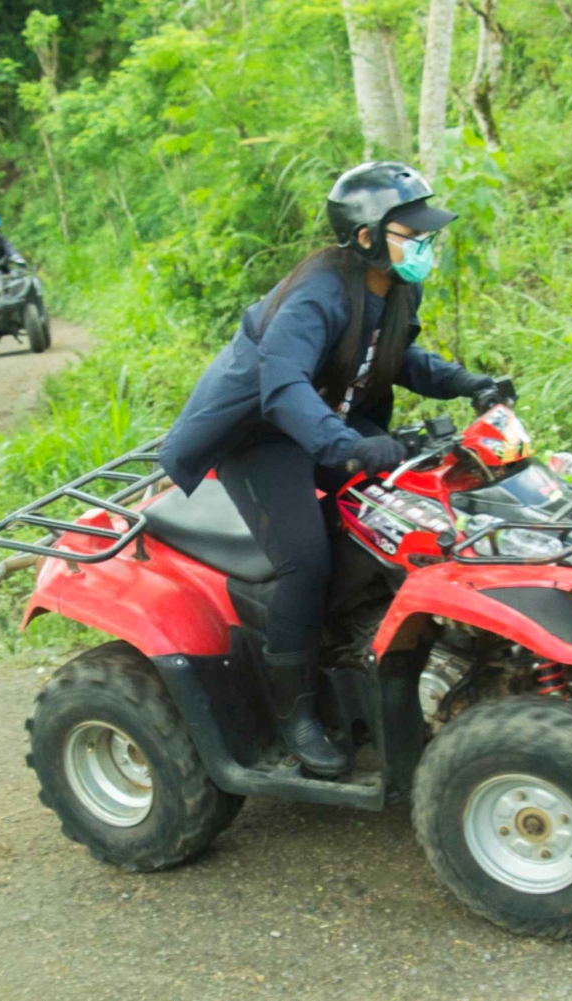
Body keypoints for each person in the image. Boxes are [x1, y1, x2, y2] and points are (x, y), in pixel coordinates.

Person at [157, 161, 502, 777]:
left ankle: (363, 643)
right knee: (305, 556)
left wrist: (469, 383)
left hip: (328, 416)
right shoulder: (315, 294)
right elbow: (283, 386)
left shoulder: (398, 282)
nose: (427, 244)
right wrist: (347, 444)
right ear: (366, 237)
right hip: (261, 433)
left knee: (409, 511)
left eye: (428, 232)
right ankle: (297, 714)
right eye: (411, 233)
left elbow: (399, 354)